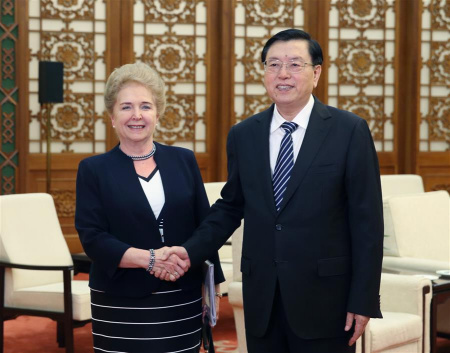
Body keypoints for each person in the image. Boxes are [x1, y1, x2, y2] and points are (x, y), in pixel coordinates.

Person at [163, 29, 384, 353]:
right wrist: (190, 250)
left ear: (316, 73)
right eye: (273, 64)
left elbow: (367, 222)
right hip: (262, 297)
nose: (283, 74)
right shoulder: (243, 135)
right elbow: (230, 205)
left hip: (325, 300)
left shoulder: (349, 130)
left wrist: (363, 298)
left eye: (295, 64)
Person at [75, 62, 224, 353]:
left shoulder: (184, 160)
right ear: (112, 117)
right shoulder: (93, 170)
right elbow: (92, 237)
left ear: (157, 114)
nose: (137, 115)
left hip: (182, 295)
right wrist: (151, 259)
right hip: (120, 299)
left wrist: (213, 284)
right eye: (126, 107)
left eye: (145, 106)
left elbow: (204, 226)